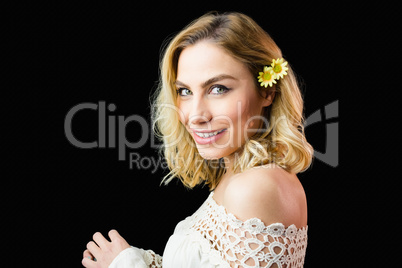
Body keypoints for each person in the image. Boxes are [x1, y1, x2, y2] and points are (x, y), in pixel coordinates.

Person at [82, 11, 313, 268]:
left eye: (218, 89)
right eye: (185, 91)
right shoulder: (239, 175)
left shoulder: (255, 187)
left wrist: (127, 265)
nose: (195, 115)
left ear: (267, 90)